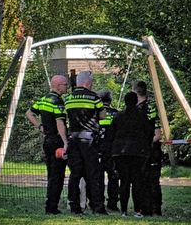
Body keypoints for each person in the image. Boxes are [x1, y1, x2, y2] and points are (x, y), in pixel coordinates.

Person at [25, 75, 70, 214]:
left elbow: (29, 113)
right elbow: (60, 122)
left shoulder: (43, 100)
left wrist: (40, 127)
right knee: (58, 175)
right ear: (57, 86)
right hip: (57, 141)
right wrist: (65, 142)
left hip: (47, 140)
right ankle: (52, 207)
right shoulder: (57, 101)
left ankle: (49, 203)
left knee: (51, 173)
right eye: (65, 85)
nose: (67, 87)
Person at [64, 71, 107, 215]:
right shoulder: (94, 97)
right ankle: (97, 206)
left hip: (73, 139)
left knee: (75, 174)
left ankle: (74, 206)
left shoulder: (68, 98)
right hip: (89, 140)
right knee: (93, 174)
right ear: (88, 83)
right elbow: (102, 115)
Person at [111, 91, 154, 217]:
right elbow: (149, 132)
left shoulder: (118, 116)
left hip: (120, 152)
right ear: (136, 101)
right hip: (138, 153)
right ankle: (137, 210)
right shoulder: (142, 116)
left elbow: (111, 134)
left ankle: (123, 210)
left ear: (125, 101)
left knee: (124, 181)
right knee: (137, 181)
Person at [134, 81, 163, 215]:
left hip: (148, 150)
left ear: (135, 92)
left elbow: (157, 134)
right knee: (152, 180)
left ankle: (149, 208)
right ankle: (153, 209)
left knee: (147, 180)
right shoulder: (151, 107)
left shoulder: (142, 109)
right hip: (151, 149)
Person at [97, 90, 120, 211]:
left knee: (98, 177)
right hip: (113, 151)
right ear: (110, 101)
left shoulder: (96, 113)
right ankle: (113, 203)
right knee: (114, 177)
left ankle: (99, 201)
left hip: (99, 149)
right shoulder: (116, 114)